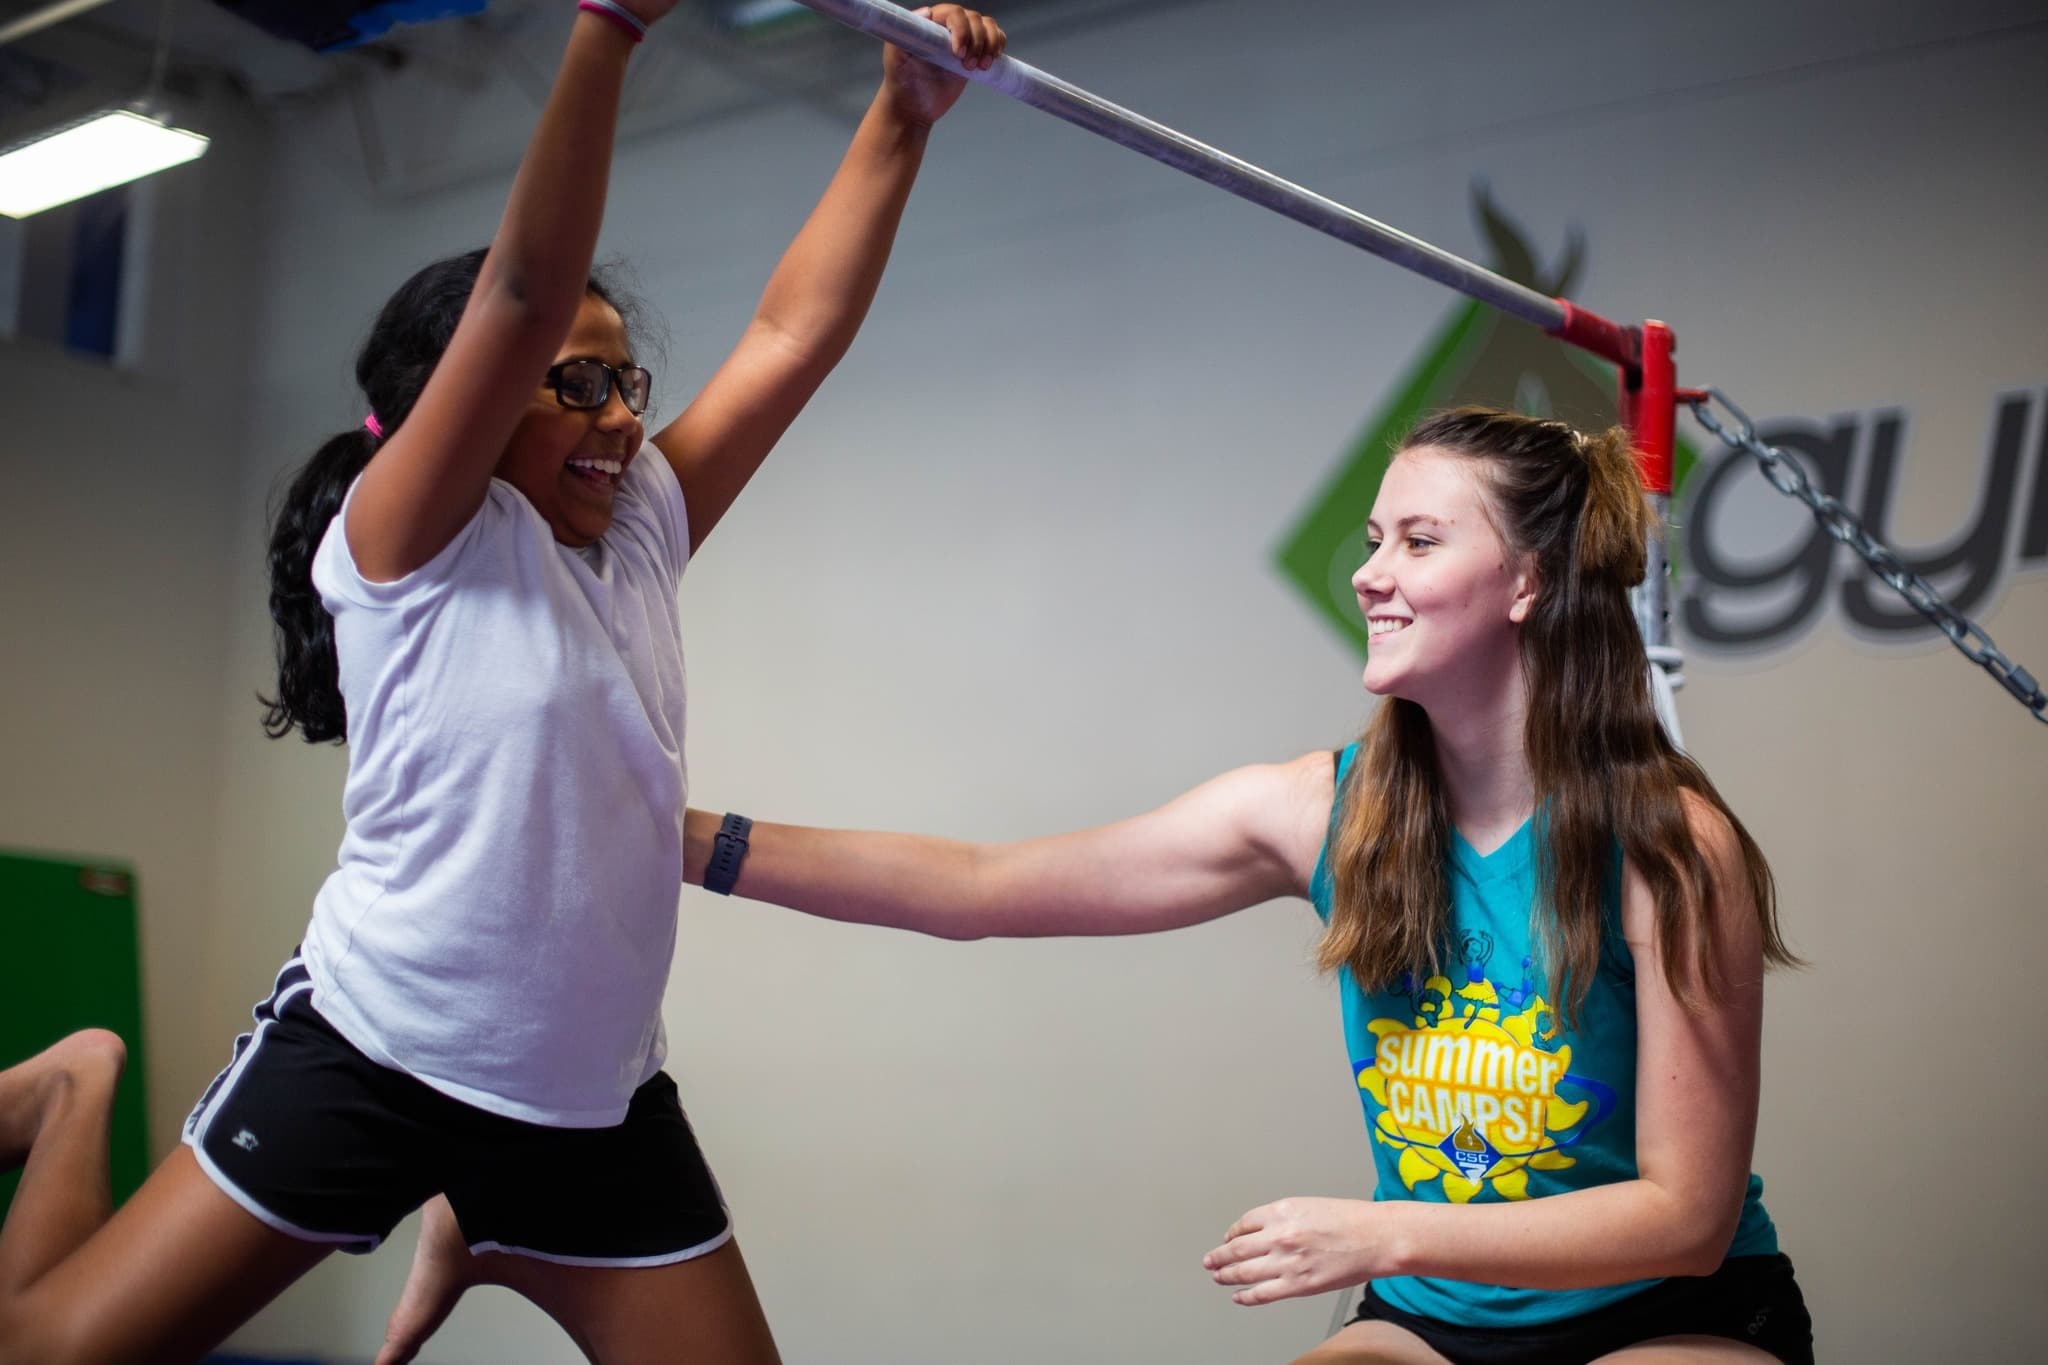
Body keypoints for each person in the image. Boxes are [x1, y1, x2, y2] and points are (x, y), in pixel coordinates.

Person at [0, 4, 1006, 1362]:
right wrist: (604, 29)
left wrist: (902, 112)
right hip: (373, 1056)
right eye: (573, 386)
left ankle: (485, 1219)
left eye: (624, 379)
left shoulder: (638, 527)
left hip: (592, 1108)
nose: (622, 416)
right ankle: (74, 1086)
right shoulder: (410, 536)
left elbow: (788, 337)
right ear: (466, 406)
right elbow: (526, 293)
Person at [417, 406, 1806, 1363]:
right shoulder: (1329, 809)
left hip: (1662, 1312)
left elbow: (1685, 1216)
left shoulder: (1668, 845)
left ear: (1530, 584)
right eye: (1373, 537)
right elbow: (981, 885)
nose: (1372, 574)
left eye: (1419, 543)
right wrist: (674, 831)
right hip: (1435, 1316)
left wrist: (1383, 1225)